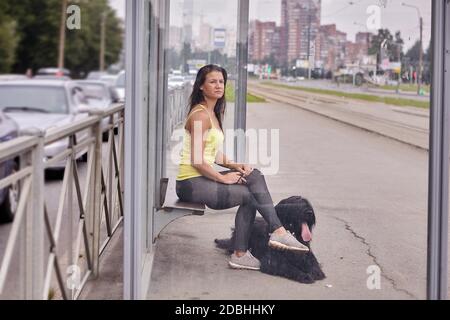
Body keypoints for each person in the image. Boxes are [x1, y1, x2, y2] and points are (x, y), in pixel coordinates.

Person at [175, 64, 309, 271]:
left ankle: (261, 241)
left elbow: (212, 153)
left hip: (199, 179)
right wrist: (223, 178)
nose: (218, 85)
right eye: (212, 81)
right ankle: (266, 239)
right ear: (201, 86)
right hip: (190, 183)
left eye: (221, 81)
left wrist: (235, 165)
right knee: (250, 195)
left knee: (253, 176)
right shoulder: (200, 115)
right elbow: (197, 160)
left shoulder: (211, 112)